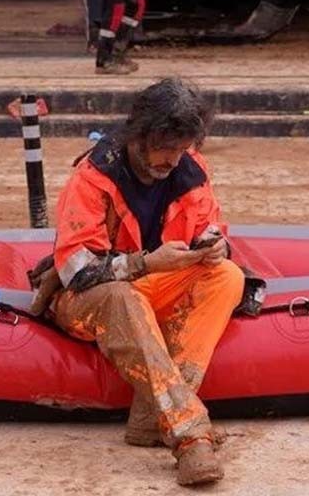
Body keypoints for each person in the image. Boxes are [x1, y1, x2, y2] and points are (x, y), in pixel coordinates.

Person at [33, 77, 243, 486]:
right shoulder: (94, 176)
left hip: (151, 284)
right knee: (121, 297)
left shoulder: (191, 169)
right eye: (167, 148)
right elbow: (77, 272)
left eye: (182, 148)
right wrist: (145, 263)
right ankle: (189, 435)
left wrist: (215, 245)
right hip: (88, 298)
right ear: (140, 136)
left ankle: (151, 416)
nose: (173, 159)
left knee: (227, 276)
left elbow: (211, 225)